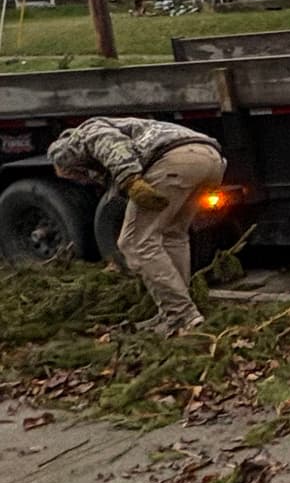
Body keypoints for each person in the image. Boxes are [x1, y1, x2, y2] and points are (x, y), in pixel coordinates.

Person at [47, 116, 225, 335]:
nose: (79, 179)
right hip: (211, 160)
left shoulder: (85, 134)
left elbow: (110, 144)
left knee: (135, 241)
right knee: (172, 235)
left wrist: (130, 180)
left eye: (73, 172)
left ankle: (182, 315)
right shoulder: (130, 129)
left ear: (69, 157)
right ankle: (172, 313)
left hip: (174, 161)